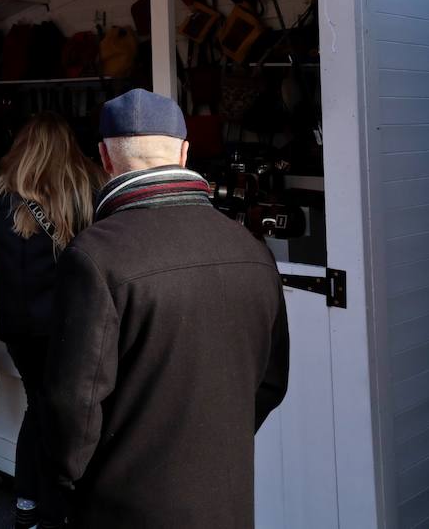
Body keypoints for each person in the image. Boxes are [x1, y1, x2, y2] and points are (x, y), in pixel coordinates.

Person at [44, 89, 289, 528]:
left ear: (104, 157)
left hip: (123, 504)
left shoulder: (94, 257)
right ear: (184, 152)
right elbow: (270, 383)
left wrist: (69, 483)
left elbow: (74, 407)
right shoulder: (251, 249)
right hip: (226, 497)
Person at [0, 113, 103, 529]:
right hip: (62, 327)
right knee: (59, 416)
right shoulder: (84, 194)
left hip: (17, 327)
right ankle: (54, 508)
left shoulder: (5, 196)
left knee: (38, 408)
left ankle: (26, 502)